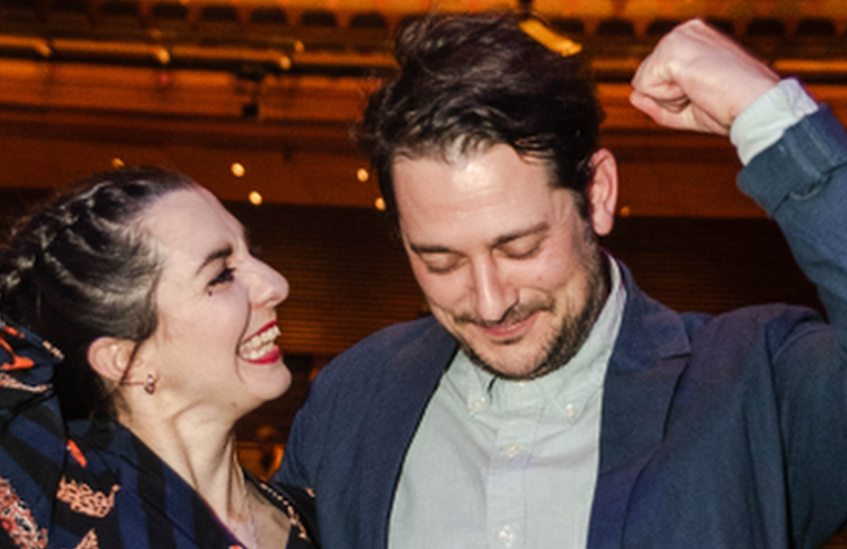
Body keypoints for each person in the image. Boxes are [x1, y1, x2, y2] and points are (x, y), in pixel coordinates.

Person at [276, 12, 847, 549]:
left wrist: (773, 116)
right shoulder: (355, 394)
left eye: (520, 248)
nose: (491, 302)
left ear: (596, 195)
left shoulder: (759, 385)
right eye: (441, 262)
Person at [0, 0, 317, 547]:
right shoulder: (52, 501)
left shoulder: (318, 518)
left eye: (250, 253)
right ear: (125, 360)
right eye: (221, 275)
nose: (276, 283)